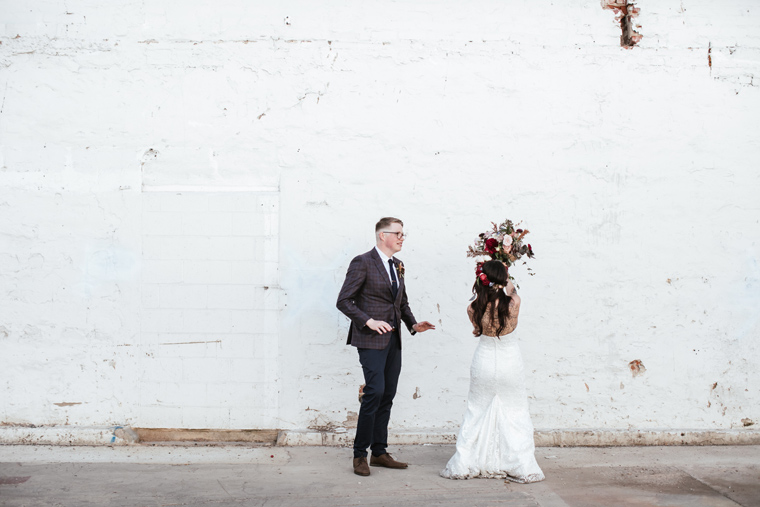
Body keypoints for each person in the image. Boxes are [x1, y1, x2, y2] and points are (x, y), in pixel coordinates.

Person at [337, 217, 435, 477]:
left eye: (404, 234)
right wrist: (368, 321)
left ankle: (379, 452)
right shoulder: (362, 262)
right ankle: (360, 455)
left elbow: (401, 304)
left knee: (388, 394)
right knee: (374, 392)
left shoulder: (398, 265)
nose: (402, 238)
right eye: (398, 233)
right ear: (383, 235)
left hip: (394, 340)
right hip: (370, 340)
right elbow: (344, 300)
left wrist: (413, 325)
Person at [440, 260, 544, 483]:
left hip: (484, 361)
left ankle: (467, 462)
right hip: (510, 362)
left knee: (476, 410)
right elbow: (512, 289)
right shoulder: (514, 303)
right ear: (503, 279)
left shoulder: (472, 308)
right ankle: (519, 464)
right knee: (515, 410)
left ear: (481, 280)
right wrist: (508, 278)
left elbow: (477, 330)